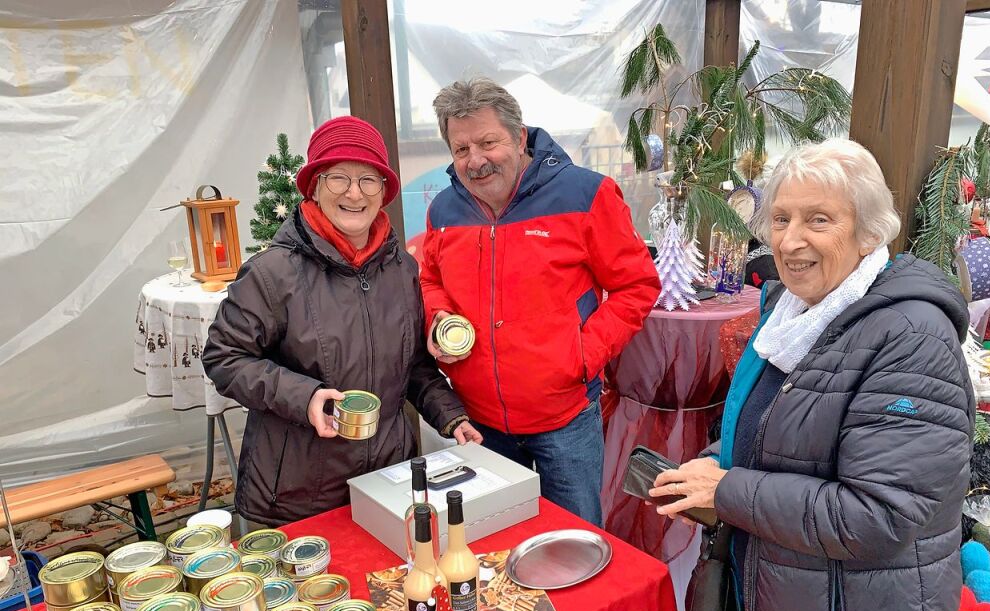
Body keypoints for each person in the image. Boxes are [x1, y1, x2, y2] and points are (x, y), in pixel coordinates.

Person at [650, 138, 973, 611]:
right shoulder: (798, 311)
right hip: (803, 609)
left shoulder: (908, 339)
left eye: (818, 219)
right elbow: (778, 434)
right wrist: (718, 463)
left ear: (868, 233)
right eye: (780, 218)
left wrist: (730, 493)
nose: (791, 239)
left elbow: (878, 514)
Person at [204, 116, 482, 527]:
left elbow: (412, 366)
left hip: (388, 479)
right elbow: (224, 358)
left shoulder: (401, 268)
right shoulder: (273, 273)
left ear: (384, 191)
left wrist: (451, 417)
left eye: (369, 180)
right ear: (314, 186)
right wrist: (306, 397)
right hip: (300, 494)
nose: (354, 193)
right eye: (338, 178)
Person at [419, 77, 661, 526]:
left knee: (575, 544)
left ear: (519, 135)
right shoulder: (444, 211)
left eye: (488, 142)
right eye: (461, 149)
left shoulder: (586, 194)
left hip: (564, 420)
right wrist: (439, 318)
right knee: (493, 546)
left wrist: (582, 356)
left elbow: (637, 286)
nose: (476, 161)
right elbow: (430, 279)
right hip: (480, 423)